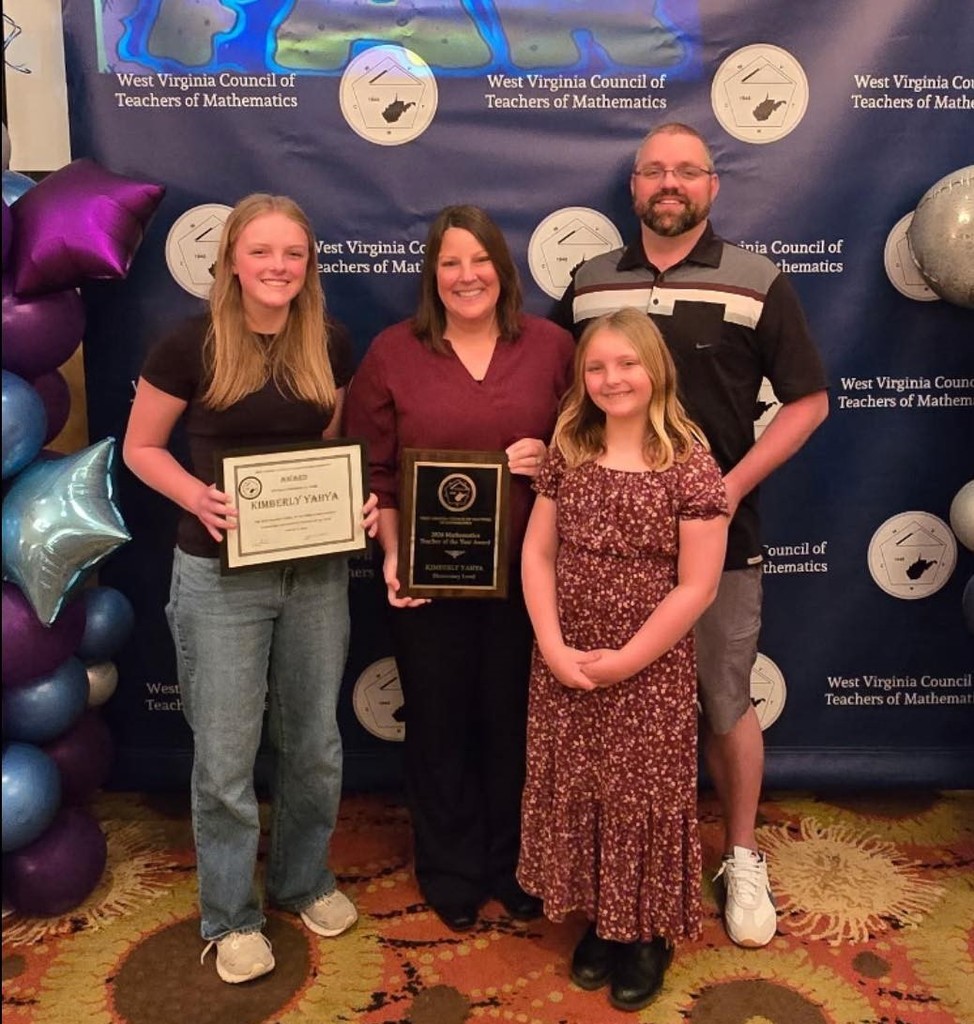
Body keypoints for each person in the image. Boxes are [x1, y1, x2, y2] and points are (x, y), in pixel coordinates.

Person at [554, 122, 829, 948]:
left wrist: (722, 490)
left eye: (687, 172)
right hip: (602, 548)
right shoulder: (590, 283)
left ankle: (740, 855)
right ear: (633, 188)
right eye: (653, 172)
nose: (668, 184)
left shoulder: (758, 281)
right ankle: (610, 871)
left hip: (719, 542)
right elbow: (564, 393)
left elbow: (808, 401)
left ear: (713, 187)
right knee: (612, 708)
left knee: (723, 698)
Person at [123, 193, 378, 984]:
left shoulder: (328, 342)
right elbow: (140, 448)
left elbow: (333, 447)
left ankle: (302, 881)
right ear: (232, 258)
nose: (277, 267)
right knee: (226, 757)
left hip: (315, 573)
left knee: (314, 744)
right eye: (262, 252)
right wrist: (196, 495)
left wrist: (352, 498)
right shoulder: (187, 345)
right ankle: (230, 916)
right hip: (216, 577)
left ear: (308, 266)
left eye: (292, 254)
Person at [343, 204, 574, 932]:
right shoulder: (392, 352)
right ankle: (448, 868)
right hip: (427, 582)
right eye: (450, 262)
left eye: (479, 260)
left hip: (529, 581)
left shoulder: (552, 348)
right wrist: (392, 555)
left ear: (503, 270)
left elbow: (597, 447)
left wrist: (553, 460)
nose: (466, 275)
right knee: (438, 726)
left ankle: (513, 865)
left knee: (515, 726)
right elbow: (374, 474)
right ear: (431, 275)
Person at [517, 307, 729, 1012]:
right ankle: (600, 923)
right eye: (597, 367)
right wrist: (552, 645)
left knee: (642, 796)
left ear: (656, 368)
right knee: (580, 785)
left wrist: (629, 660)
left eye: (626, 363)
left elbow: (697, 586)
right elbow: (538, 553)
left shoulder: (691, 463)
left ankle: (645, 934)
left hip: (649, 667)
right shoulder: (569, 448)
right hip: (567, 660)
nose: (613, 379)